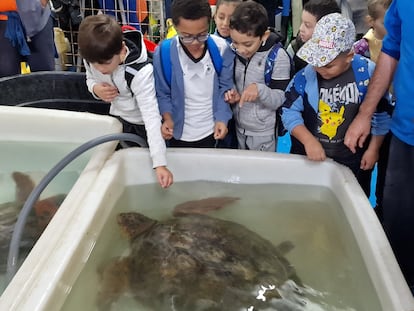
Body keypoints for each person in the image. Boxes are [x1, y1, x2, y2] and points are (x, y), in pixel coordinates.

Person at [344, 0, 414, 294]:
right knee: (397, 220)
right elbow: (391, 50)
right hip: (405, 131)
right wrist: (365, 113)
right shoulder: (402, 4)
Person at [281, 13, 392, 184]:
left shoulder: (367, 74)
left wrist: (373, 149)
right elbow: (288, 111)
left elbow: (381, 113)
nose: (320, 68)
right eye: (316, 61)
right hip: (308, 156)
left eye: (328, 65)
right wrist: (308, 140)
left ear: (349, 56)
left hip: (352, 158)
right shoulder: (304, 77)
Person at [77, 14, 173, 189]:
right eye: (93, 64)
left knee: (145, 170)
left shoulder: (140, 73)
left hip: (144, 125)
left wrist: (160, 163)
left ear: (122, 51)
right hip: (118, 120)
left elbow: (151, 117)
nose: (100, 69)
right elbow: (90, 78)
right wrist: (96, 89)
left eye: (105, 63)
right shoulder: (94, 56)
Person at [153, 0, 233, 148]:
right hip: (178, 132)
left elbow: (225, 88)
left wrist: (222, 118)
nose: (195, 42)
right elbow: (162, 93)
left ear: (210, 23)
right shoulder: (164, 52)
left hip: (212, 130)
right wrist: (167, 118)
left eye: (202, 35)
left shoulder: (221, 48)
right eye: (187, 36)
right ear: (175, 27)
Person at [225, 0, 291, 152]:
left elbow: (281, 98)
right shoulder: (233, 52)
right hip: (238, 127)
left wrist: (260, 90)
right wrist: (232, 92)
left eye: (247, 44)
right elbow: (230, 80)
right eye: (235, 42)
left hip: (264, 134)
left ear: (264, 35)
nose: (241, 49)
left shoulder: (277, 57)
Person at [353, 0, 392, 219]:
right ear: (371, 22)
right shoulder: (361, 49)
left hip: (390, 114)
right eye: (387, 22)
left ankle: (382, 205)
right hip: (371, 116)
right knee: (368, 161)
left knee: (387, 165)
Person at [0, 0, 55, 77]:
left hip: (38, 17)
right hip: (4, 19)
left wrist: (43, 2)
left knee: (44, 74)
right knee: (6, 77)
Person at [286, 0, 341, 74]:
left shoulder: (344, 53)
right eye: (302, 22)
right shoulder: (294, 48)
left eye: (307, 25)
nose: (301, 29)